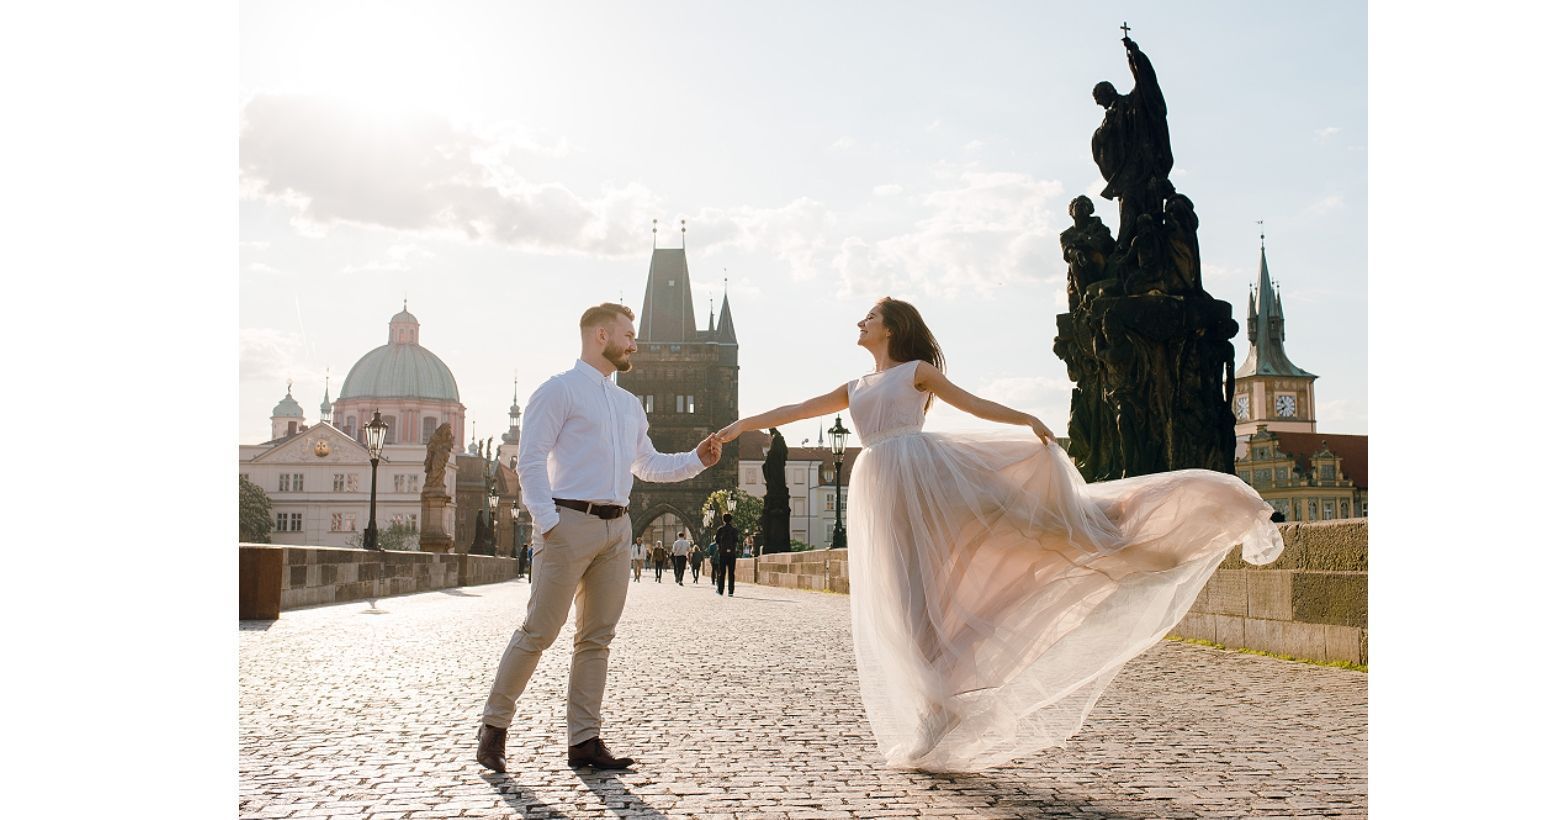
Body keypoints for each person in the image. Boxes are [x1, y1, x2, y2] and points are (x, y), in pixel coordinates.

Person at [714, 296, 1281, 772]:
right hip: (880, 487)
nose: (859, 323)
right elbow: (795, 409)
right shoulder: (855, 384)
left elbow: (973, 404)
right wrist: (738, 427)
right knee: (906, 600)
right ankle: (938, 706)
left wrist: (1024, 419)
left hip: (923, 478)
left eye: (870, 317)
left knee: (995, 547)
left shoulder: (916, 372)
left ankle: (1131, 532)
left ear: (891, 327)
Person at [476, 302, 723, 774]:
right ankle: (494, 726)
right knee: (539, 630)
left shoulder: (628, 404)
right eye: (628, 335)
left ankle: (584, 741)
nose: (635, 344)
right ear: (601, 335)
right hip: (568, 522)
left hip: (617, 528)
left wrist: (696, 459)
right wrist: (548, 522)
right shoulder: (559, 390)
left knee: (596, 639)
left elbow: (647, 464)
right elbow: (531, 460)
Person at [713, 513, 739, 597]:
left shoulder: (720, 529)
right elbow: (736, 540)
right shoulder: (734, 530)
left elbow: (717, 540)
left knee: (722, 572)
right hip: (732, 554)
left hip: (723, 553)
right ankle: (731, 591)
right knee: (731, 573)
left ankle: (720, 590)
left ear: (723, 520)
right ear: (731, 520)